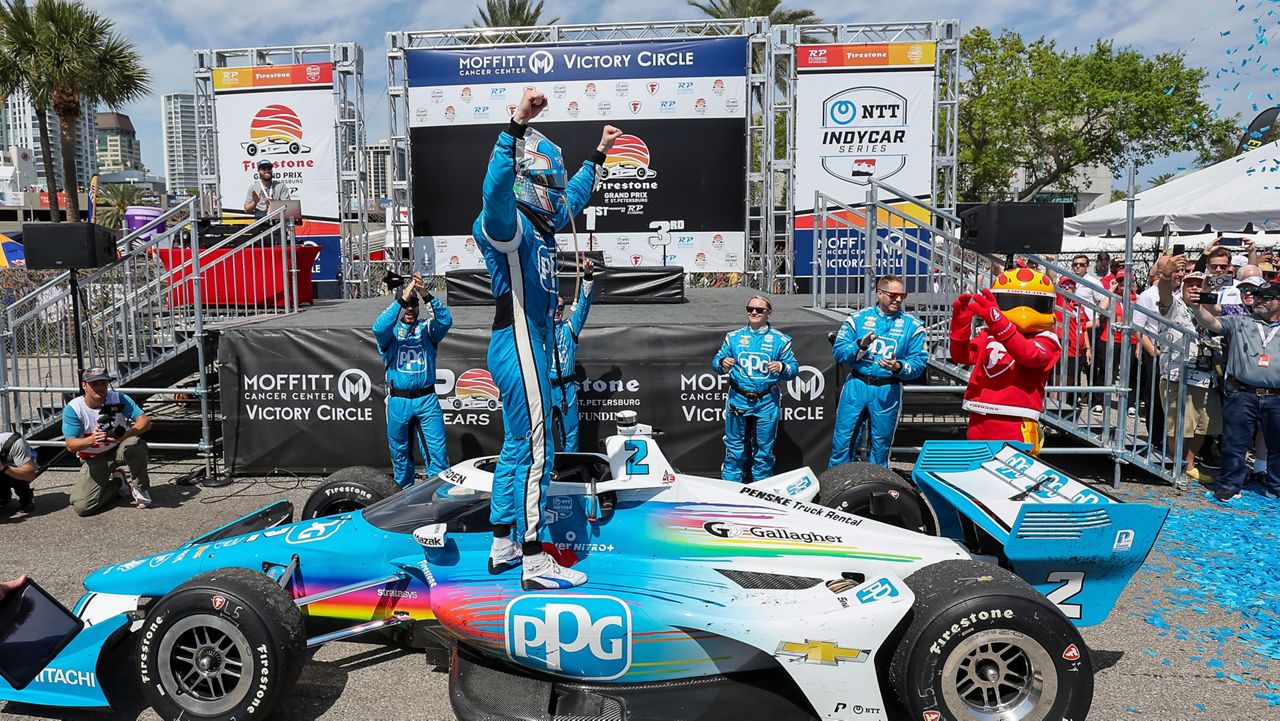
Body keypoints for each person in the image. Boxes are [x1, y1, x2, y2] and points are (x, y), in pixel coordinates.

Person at [474, 89, 620, 590]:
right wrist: (514, 125)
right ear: (529, 181)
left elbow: (574, 197)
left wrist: (596, 155)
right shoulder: (508, 226)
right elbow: (494, 193)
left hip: (523, 341)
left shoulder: (545, 225)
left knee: (517, 445)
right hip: (518, 340)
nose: (556, 192)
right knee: (539, 447)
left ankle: (502, 543)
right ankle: (535, 559)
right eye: (547, 183)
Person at [950, 267, 1062, 453]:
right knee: (977, 474)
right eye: (1012, 301)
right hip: (979, 416)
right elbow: (962, 356)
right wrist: (960, 327)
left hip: (1017, 421)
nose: (1022, 308)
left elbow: (1028, 354)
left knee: (1016, 477)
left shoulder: (1047, 339)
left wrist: (997, 322)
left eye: (1033, 302)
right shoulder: (988, 333)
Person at [1192, 278, 1280, 503]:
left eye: (1266, 297)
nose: (1259, 300)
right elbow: (1211, 322)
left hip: (1276, 397)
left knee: (1277, 444)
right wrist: (1196, 306)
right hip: (1242, 393)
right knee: (1234, 442)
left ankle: (1276, 486)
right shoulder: (1240, 321)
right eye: (1257, 296)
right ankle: (1230, 484)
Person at [827, 275, 927, 468]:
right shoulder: (857, 319)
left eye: (902, 295)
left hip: (887, 389)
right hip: (857, 384)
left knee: (880, 448)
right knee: (842, 443)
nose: (898, 300)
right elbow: (839, 352)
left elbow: (919, 363)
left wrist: (899, 367)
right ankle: (837, 489)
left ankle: (876, 493)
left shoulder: (912, 326)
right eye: (893, 295)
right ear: (880, 294)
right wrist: (860, 346)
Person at [373, 272, 452, 488]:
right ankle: (403, 498)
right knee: (400, 454)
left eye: (413, 305)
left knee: (437, 453)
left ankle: (439, 495)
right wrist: (402, 297)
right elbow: (378, 328)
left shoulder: (427, 329)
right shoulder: (391, 333)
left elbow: (446, 321)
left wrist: (425, 294)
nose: (410, 309)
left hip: (426, 399)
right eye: (406, 306)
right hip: (398, 401)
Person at [714, 295, 800, 482]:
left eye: (759, 310)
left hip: (766, 400)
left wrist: (782, 367)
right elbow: (715, 363)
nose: (753, 312)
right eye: (750, 309)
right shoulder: (733, 337)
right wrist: (722, 362)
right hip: (739, 398)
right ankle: (730, 487)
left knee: (764, 449)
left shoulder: (780, 340)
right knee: (734, 447)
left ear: (768, 313)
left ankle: (761, 487)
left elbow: (794, 369)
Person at [1152, 256, 1222, 484]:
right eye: (1190, 284)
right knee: (1179, 424)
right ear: (1182, 286)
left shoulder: (1210, 308)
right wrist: (1165, 275)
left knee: (1203, 425)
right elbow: (1163, 295)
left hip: (1206, 376)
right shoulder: (1174, 305)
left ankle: (1189, 464)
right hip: (1177, 375)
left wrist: (1207, 299)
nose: (1194, 288)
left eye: (1198, 285)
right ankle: (1177, 464)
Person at [62, 368, 152, 515]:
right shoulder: (74, 408)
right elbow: (71, 445)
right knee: (82, 507)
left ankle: (141, 488)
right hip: (93, 457)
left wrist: (125, 435)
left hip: (118, 449)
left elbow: (145, 422)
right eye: (95, 384)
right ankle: (118, 483)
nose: (100, 388)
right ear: (84, 385)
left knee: (136, 444)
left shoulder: (119, 398)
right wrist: (92, 439)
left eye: (103, 383)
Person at [550, 259, 597, 452]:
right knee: (539, 433)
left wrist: (587, 276)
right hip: (544, 387)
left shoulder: (570, 328)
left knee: (570, 434)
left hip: (566, 389)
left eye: (561, 307)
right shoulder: (538, 329)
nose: (558, 311)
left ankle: (571, 473)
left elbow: (583, 308)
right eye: (555, 306)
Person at [0, 429, 37, 513]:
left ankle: (26, 498)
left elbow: (30, 475)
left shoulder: (14, 442)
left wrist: (3, 468)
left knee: (18, 473)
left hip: (14, 468)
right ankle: (3, 496)